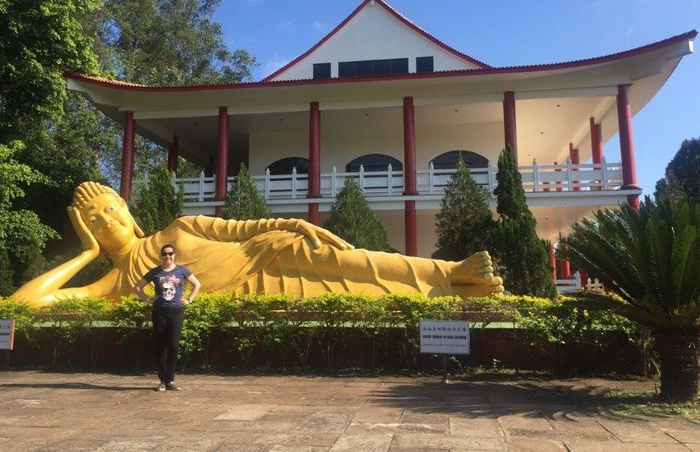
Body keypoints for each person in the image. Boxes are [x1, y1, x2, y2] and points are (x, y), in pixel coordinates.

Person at [12, 181, 503, 307]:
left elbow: (242, 228)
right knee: (361, 292)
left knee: (351, 261)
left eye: (111, 210)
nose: (107, 221)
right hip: (252, 292)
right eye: (94, 222)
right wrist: (86, 256)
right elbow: (23, 303)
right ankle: (459, 293)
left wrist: (292, 223)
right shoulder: (114, 283)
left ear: (128, 209)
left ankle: (447, 271)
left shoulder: (179, 227)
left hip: (263, 251)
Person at [133, 243, 201, 391]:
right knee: (161, 346)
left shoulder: (182, 270)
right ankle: (162, 380)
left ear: (174, 255)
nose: (167, 256)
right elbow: (137, 287)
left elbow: (197, 284)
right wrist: (149, 299)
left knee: (173, 345)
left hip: (177, 311)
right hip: (159, 312)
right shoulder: (155, 272)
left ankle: (170, 379)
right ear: (161, 256)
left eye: (170, 253)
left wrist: (189, 299)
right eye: (164, 254)